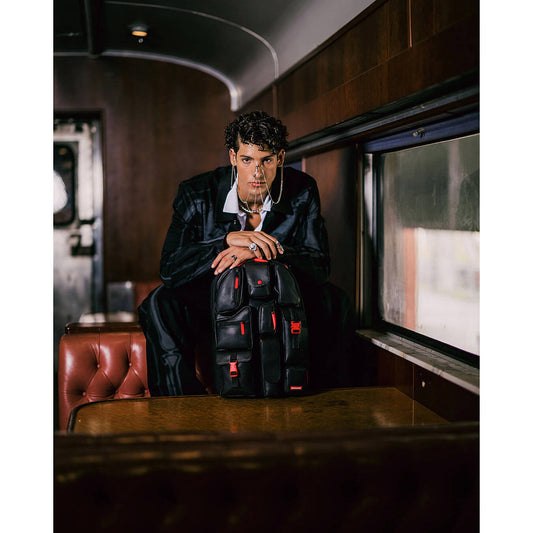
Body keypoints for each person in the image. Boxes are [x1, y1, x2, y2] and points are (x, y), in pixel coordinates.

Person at [138, 111, 355, 396]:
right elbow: (170, 268)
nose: (257, 172)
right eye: (247, 160)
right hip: (214, 300)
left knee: (335, 300)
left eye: (267, 160)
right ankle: (179, 405)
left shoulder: (302, 190)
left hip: (277, 299)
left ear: (280, 158)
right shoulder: (196, 193)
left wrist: (259, 250)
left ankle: (329, 401)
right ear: (233, 157)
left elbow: (319, 264)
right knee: (159, 302)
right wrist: (226, 241)